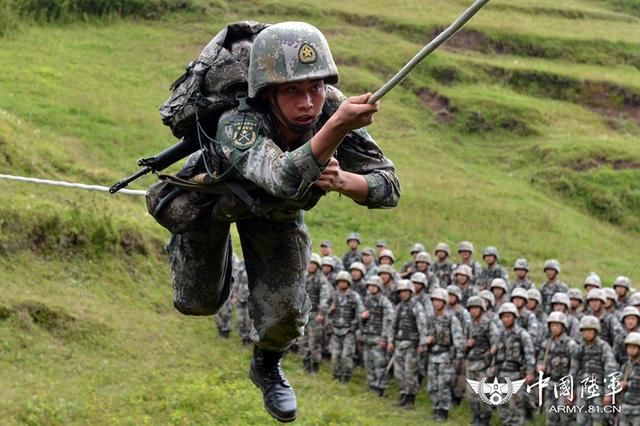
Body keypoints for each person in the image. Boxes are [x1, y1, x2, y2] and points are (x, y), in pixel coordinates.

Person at [159, 21, 400, 423]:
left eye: (316, 87)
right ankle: (198, 253)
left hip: (275, 215)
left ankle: (266, 367)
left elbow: (389, 186)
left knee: (285, 316)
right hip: (215, 204)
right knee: (196, 302)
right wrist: (337, 125)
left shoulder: (328, 108)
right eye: (293, 91)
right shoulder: (239, 121)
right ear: (267, 93)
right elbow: (283, 178)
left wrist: (344, 180)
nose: (308, 102)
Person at [570, 315, 618, 426]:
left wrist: (608, 393)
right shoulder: (579, 348)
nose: (587, 333)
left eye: (590, 330)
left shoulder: (604, 347)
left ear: (596, 331)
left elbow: (610, 370)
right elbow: (573, 370)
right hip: (582, 388)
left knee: (598, 420)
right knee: (581, 420)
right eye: (585, 330)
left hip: (598, 388)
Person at [388, 280, 428, 409]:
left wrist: (422, 343)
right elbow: (393, 325)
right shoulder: (399, 307)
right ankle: (403, 394)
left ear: (410, 292)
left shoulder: (417, 306)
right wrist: (390, 341)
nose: (403, 294)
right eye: (401, 292)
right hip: (399, 342)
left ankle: (411, 398)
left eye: (405, 292)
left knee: (410, 372)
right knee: (399, 372)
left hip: (412, 344)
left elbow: (422, 325)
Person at [494, 303, 535, 426]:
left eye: (508, 316)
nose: (506, 319)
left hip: (517, 375)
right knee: (503, 405)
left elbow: (529, 354)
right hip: (502, 374)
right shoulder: (500, 334)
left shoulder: (522, 334)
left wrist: (530, 372)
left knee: (516, 406)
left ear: (514, 317)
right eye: (503, 317)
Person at [426, 288, 464, 421]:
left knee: (444, 386)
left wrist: (457, 360)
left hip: (446, 357)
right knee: (432, 386)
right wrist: (428, 340)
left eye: (439, 301)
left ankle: (443, 410)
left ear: (444, 302)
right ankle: (436, 407)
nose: (436, 303)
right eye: (434, 300)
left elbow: (459, 341)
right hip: (433, 356)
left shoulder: (451, 319)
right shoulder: (431, 318)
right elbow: (427, 334)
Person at [537, 312, 578, 426]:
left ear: (563, 327)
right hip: (550, 384)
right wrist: (540, 366)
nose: (554, 328)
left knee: (565, 417)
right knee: (550, 417)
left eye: (557, 325)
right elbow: (540, 359)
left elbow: (575, 368)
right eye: (552, 325)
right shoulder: (547, 344)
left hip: (565, 384)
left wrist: (570, 389)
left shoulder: (571, 345)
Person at [464, 296, 499, 426]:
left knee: (483, 393)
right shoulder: (469, 325)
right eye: (471, 308)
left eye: (476, 308)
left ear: (482, 309)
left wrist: (490, 356)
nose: (473, 311)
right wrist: (467, 344)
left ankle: (485, 417)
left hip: (484, 363)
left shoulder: (489, 324)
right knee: (471, 393)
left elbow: (495, 343)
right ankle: (476, 415)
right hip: (471, 362)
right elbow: (463, 342)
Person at [361, 275, 395, 397]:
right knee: (368, 363)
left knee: (379, 364)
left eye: (374, 286)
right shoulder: (367, 300)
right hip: (367, 337)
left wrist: (385, 338)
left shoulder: (385, 302)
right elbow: (361, 317)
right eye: (369, 286)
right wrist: (363, 317)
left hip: (378, 338)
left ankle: (380, 388)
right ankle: (371, 386)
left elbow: (389, 321)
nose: (371, 288)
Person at [329, 271, 365, 384]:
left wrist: (354, 325)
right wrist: (331, 310)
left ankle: (346, 377)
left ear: (348, 283)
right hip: (335, 330)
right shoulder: (334, 295)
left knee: (346, 356)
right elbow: (325, 310)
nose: (342, 284)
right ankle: (336, 376)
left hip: (348, 331)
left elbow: (360, 312)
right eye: (340, 282)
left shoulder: (354, 296)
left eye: (344, 282)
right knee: (335, 356)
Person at [301, 253, 331, 373]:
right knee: (302, 341)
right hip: (302, 314)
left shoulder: (321, 280)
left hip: (315, 315)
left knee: (314, 342)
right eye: (309, 263)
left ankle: (314, 366)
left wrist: (321, 313)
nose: (311, 266)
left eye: (313, 264)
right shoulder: (303, 277)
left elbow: (325, 298)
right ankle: (305, 364)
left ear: (317, 266)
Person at [619, 332, 640, 426]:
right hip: (625, 406)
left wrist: (628, 384)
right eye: (629, 347)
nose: (631, 350)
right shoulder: (626, 366)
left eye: (634, 347)